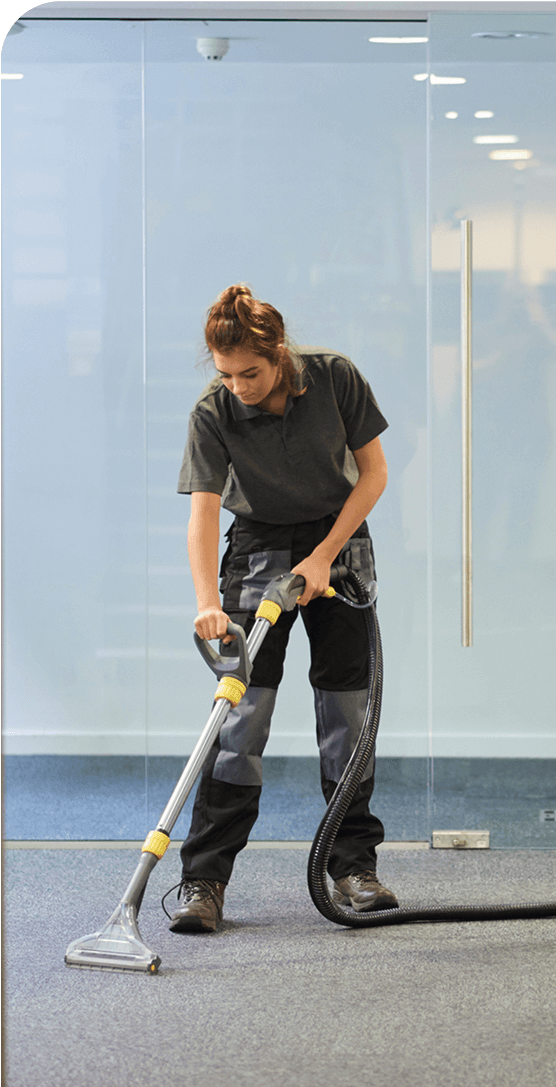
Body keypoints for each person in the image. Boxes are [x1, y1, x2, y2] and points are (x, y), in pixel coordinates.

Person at [167, 283, 398, 932]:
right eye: (224, 373)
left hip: (340, 538)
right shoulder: (213, 411)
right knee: (239, 720)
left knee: (347, 713)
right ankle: (203, 881)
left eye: (250, 372)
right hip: (260, 543)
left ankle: (353, 868)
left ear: (279, 357)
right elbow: (204, 514)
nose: (237, 385)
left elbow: (373, 472)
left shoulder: (333, 378)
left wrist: (325, 554)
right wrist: (207, 604)